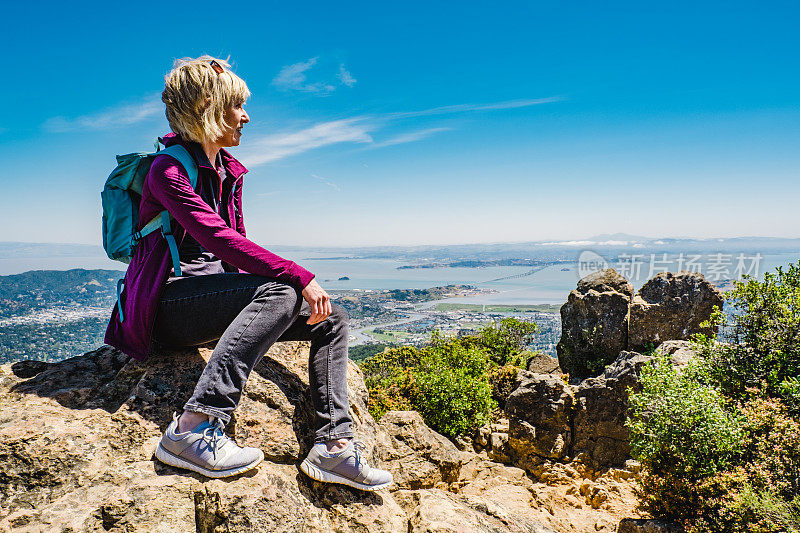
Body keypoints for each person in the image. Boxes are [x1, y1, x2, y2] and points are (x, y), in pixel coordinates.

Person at [104, 55, 392, 490]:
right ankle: (194, 426)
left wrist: (292, 285)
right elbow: (220, 239)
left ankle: (333, 446)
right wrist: (296, 275)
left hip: (206, 304)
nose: (246, 116)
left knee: (331, 319)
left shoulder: (225, 171)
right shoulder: (167, 171)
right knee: (282, 292)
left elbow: (236, 251)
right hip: (166, 307)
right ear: (207, 108)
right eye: (236, 105)